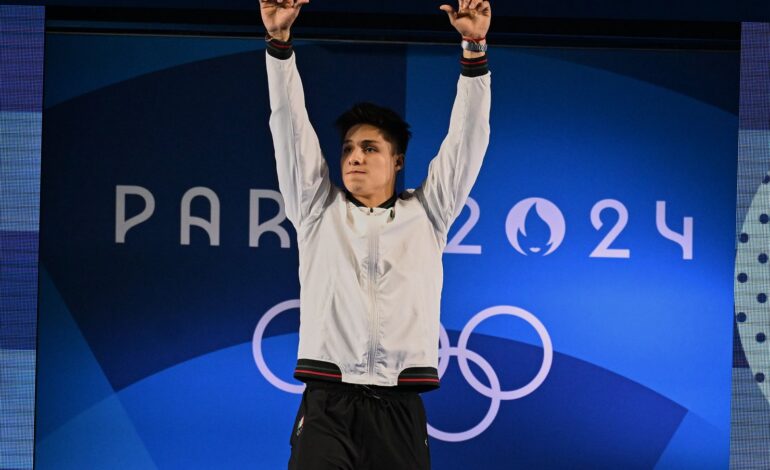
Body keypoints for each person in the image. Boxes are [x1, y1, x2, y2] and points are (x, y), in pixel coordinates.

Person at [260, 0, 491, 468]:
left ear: (398, 161)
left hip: (399, 408)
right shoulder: (316, 210)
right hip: (328, 404)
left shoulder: (427, 212)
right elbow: (289, 128)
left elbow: (467, 140)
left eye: (370, 148)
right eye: (347, 148)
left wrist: (474, 50)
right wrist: (279, 46)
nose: (355, 158)